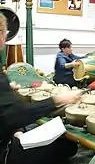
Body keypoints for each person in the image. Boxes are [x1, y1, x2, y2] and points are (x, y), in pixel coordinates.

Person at [0, 13, 82, 164]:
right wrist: (58, 100)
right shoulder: (60, 57)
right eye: (5, 33)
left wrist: (15, 131)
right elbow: (15, 114)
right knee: (67, 147)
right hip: (3, 153)